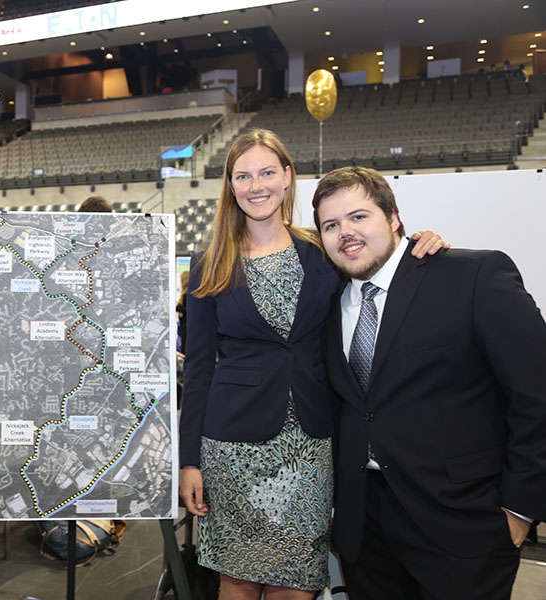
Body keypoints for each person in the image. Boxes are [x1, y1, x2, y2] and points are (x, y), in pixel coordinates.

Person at [178, 129, 445, 600]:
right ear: (230, 185)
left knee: (298, 584)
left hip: (310, 446)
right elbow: (199, 370)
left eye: (266, 172)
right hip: (230, 446)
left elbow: (379, 259)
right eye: (243, 175)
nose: (255, 185)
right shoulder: (210, 263)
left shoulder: (321, 250)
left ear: (287, 177)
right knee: (236, 582)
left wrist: (420, 241)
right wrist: (189, 462)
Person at [312, 166, 546, 600]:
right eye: (331, 225)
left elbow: (536, 394)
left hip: (463, 524)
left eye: (359, 216)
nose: (345, 232)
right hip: (364, 529)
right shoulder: (328, 304)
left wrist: (519, 508)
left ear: (394, 217)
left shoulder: (472, 275)